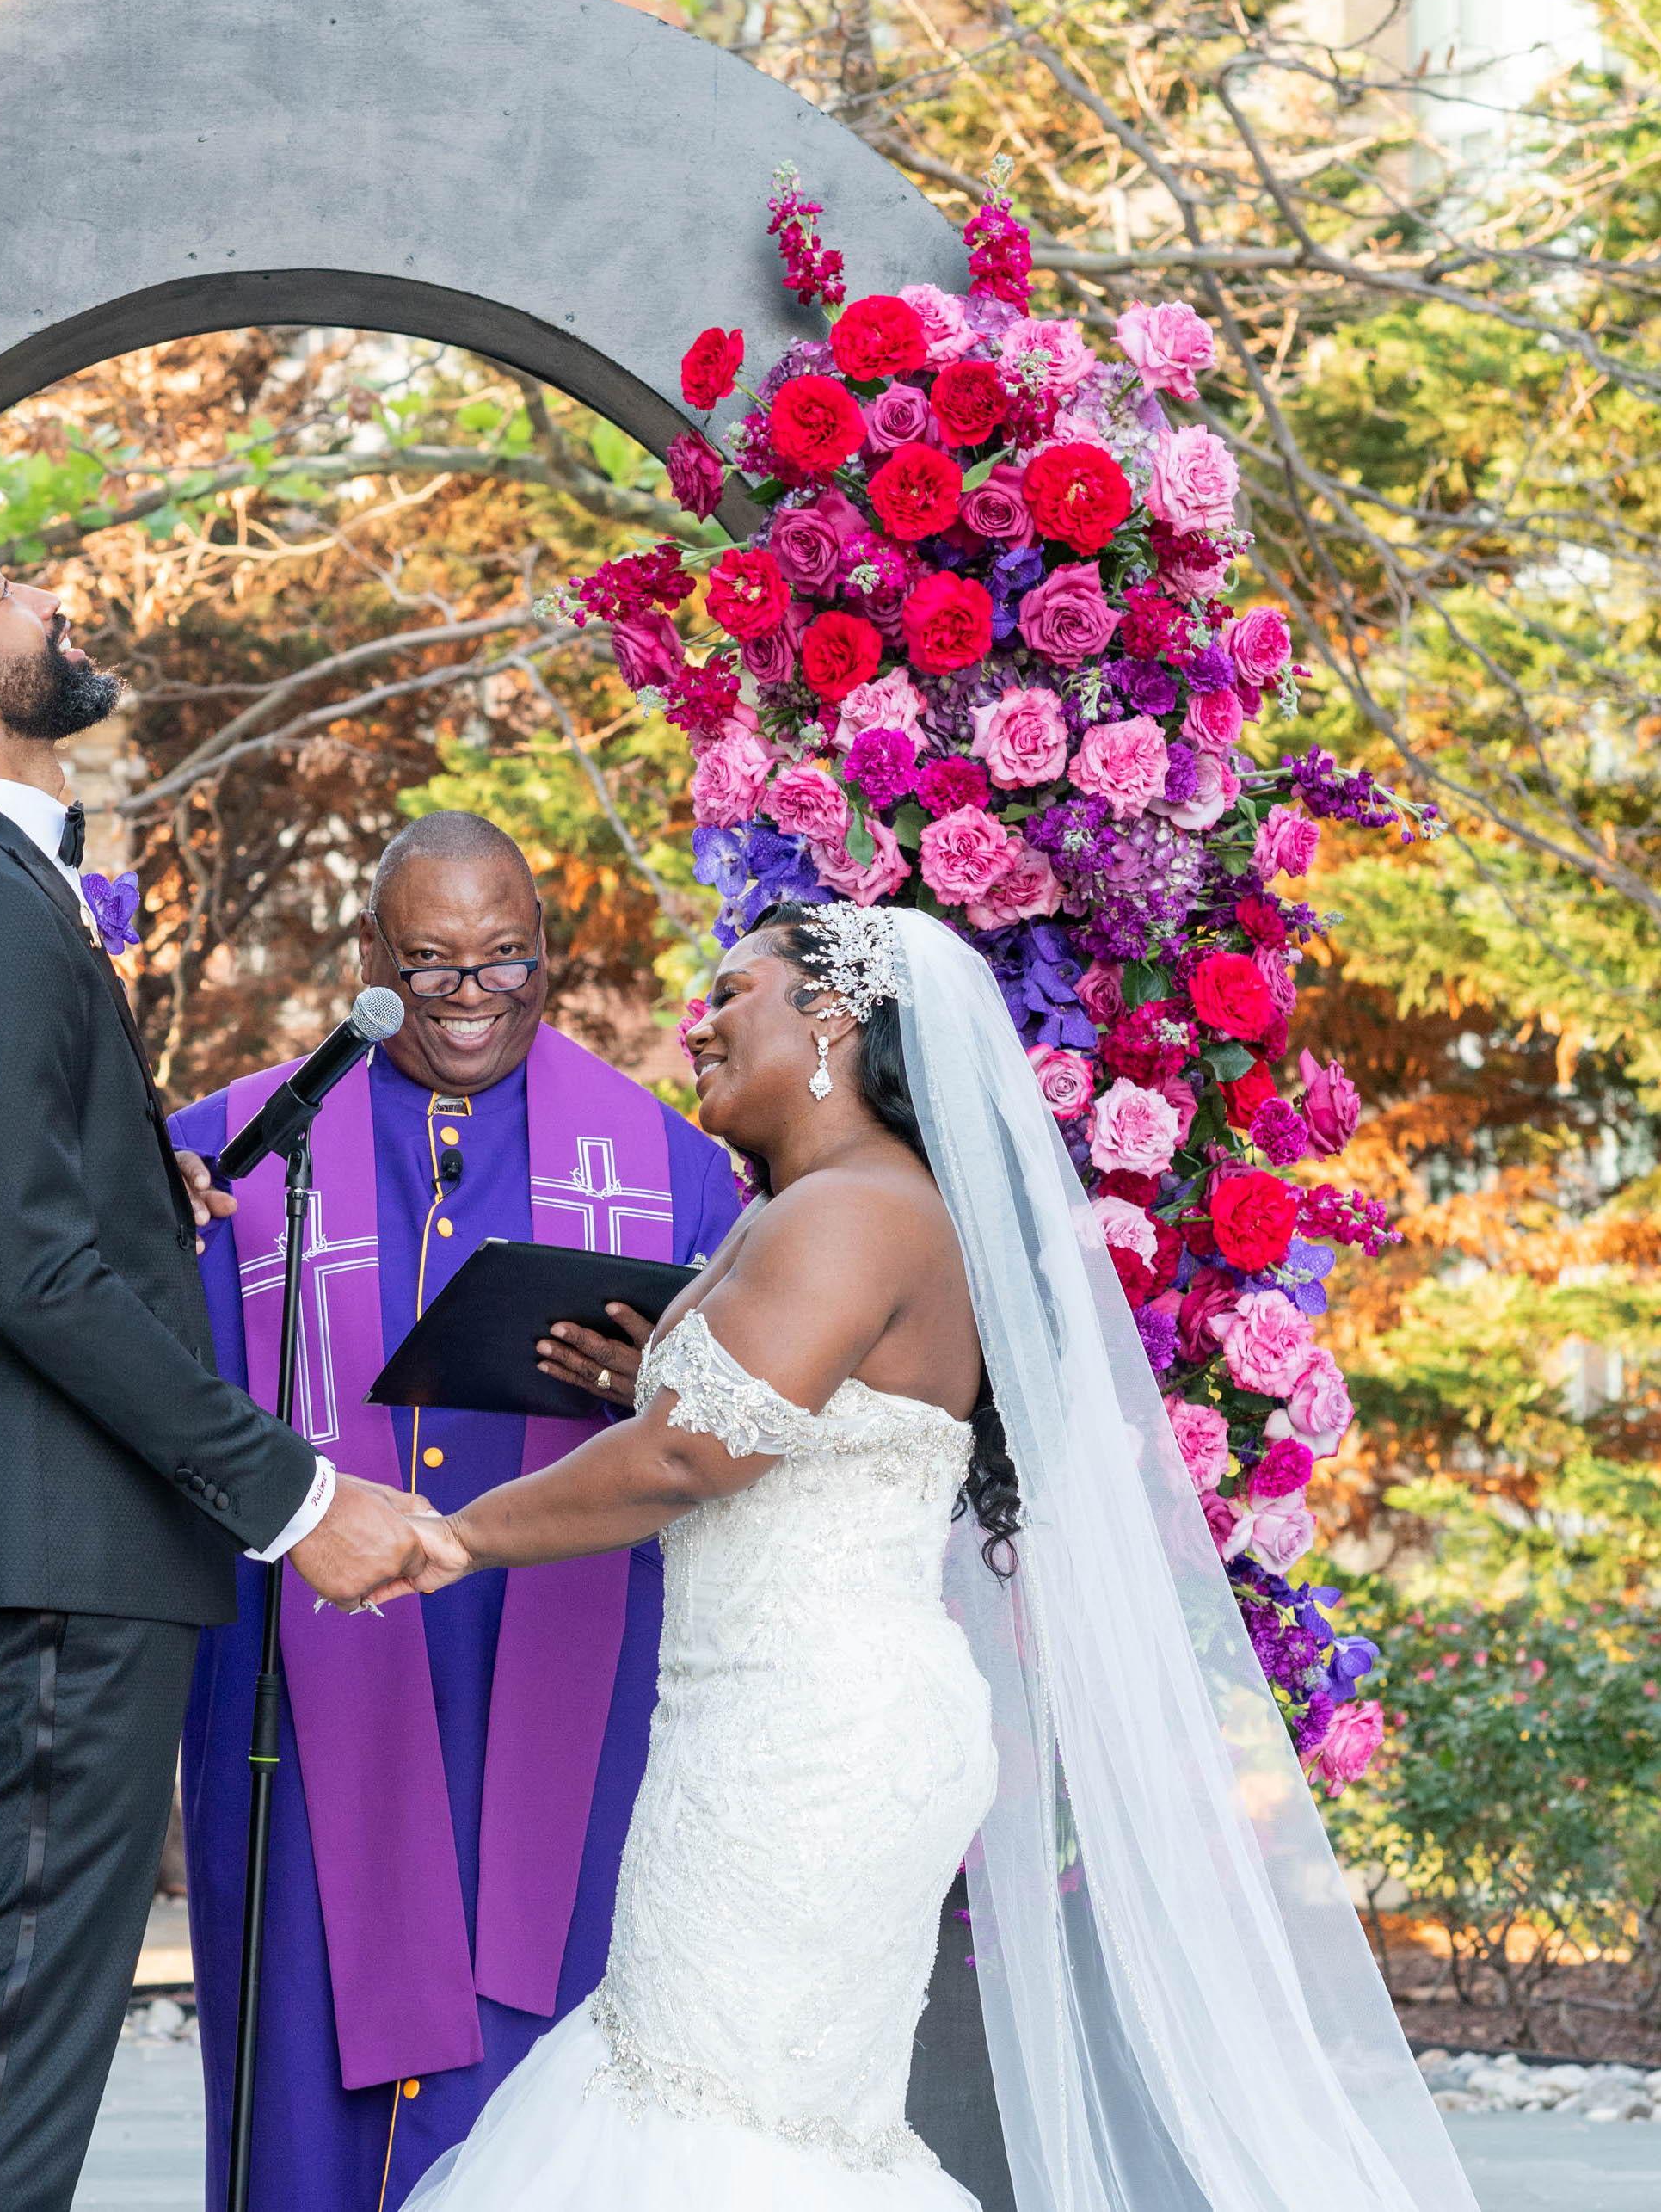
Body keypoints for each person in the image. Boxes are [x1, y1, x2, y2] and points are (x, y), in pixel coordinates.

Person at [387, 902, 1481, 2212]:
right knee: (761, 2113)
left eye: (732, 992)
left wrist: (448, 1533)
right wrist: (660, 1385)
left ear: (833, 1017)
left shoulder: (848, 1211)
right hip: (792, 1724)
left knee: (713, 2105)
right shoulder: (843, 1205)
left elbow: (687, 1461)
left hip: (809, 1741)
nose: (699, 1025)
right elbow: (787, 1429)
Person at [0, 541, 434, 2212]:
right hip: (52, 1557)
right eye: (1, 584)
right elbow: (34, 1275)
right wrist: (296, 1497)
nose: (48, 596)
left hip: (64, 1553)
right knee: (24, 2027)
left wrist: (150, 1186)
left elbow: (38, 1214)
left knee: (33, 2021)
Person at [165, 810, 747, 2212]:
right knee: (302, 2018)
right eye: (430, 963)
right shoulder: (223, 1155)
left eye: (504, 959)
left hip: (550, 1661)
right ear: (369, 956)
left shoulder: (669, 1167)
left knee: (535, 2017)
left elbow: (734, 1430)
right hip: (294, 1669)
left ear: (546, 946)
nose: (471, 995)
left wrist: (654, 1384)